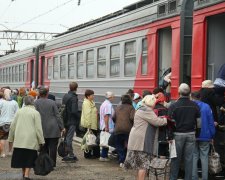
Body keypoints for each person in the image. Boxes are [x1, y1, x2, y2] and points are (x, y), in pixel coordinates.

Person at [124, 95, 167, 180]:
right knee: (143, 166)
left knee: (139, 165)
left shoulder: (140, 108)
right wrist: (165, 119)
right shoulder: (147, 110)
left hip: (136, 140)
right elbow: (157, 122)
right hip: (141, 141)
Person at [168, 83, 200, 180]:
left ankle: (173, 178)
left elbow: (169, 123)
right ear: (189, 93)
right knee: (189, 160)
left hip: (177, 135)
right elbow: (199, 122)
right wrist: (197, 134)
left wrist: (170, 136)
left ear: (179, 92)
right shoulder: (195, 105)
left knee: (175, 159)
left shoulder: (173, 106)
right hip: (191, 134)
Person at [8, 96, 45, 180]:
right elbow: (38, 129)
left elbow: (12, 126)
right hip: (31, 139)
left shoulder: (19, 112)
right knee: (29, 157)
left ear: (24, 102)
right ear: (33, 102)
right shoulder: (35, 113)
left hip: (19, 139)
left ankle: (24, 174)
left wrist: (10, 138)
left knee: (22, 157)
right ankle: (26, 175)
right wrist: (41, 141)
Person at [34, 87, 64, 166]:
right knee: (53, 147)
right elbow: (57, 115)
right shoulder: (52, 102)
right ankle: (53, 163)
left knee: (43, 146)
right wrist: (62, 127)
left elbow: (34, 115)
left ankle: (45, 163)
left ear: (39, 94)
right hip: (53, 127)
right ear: (47, 94)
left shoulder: (36, 103)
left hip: (41, 127)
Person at [191, 91, 215, 180]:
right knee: (204, 157)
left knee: (194, 156)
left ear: (192, 97)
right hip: (205, 136)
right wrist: (212, 135)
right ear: (200, 97)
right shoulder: (206, 106)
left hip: (193, 135)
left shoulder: (190, 106)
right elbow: (210, 122)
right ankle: (205, 178)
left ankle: (194, 178)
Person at [113, 94, 135, 167]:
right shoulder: (131, 108)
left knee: (118, 145)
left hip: (117, 129)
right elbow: (132, 118)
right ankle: (125, 160)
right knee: (128, 145)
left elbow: (113, 117)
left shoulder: (117, 107)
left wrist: (117, 123)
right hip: (128, 130)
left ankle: (121, 160)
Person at [62, 82, 79, 162]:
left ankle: (67, 153)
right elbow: (74, 111)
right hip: (71, 121)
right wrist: (78, 118)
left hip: (65, 120)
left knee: (66, 137)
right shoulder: (73, 98)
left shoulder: (65, 96)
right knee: (69, 138)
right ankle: (70, 155)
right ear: (76, 88)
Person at [80, 89, 100, 159]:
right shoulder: (86, 103)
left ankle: (94, 154)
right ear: (88, 96)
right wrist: (88, 126)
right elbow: (87, 115)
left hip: (93, 124)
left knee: (92, 139)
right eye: (92, 95)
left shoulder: (90, 102)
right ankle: (88, 155)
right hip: (90, 125)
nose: (93, 96)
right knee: (89, 140)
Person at [0, 89, 19, 158]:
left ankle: (2, 153)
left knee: (2, 138)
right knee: (11, 138)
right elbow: (17, 113)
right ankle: (10, 152)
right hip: (12, 123)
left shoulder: (1, 102)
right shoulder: (14, 103)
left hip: (2, 123)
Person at [99, 91, 115, 161]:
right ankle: (103, 156)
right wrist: (107, 127)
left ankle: (103, 155)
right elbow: (106, 116)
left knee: (105, 140)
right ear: (110, 97)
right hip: (108, 125)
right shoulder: (108, 105)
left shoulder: (104, 103)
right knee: (107, 140)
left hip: (104, 124)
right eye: (113, 97)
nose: (113, 98)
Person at [154, 92, 169, 157]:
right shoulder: (165, 109)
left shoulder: (152, 108)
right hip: (162, 133)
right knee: (162, 150)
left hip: (153, 133)